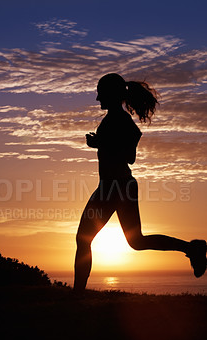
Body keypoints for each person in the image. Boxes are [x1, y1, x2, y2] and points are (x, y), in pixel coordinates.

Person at [73, 73, 206, 294]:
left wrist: (101, 143)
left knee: (84, 238)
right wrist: (100, 144)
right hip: (114, 186)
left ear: (112, 94)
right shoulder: (113, 118)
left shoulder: (122, 120)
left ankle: (77, 294)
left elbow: (129, 156)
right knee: (135, 241)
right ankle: (192, 248)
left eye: (100, 93)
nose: (97, 99)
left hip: (117, 187)